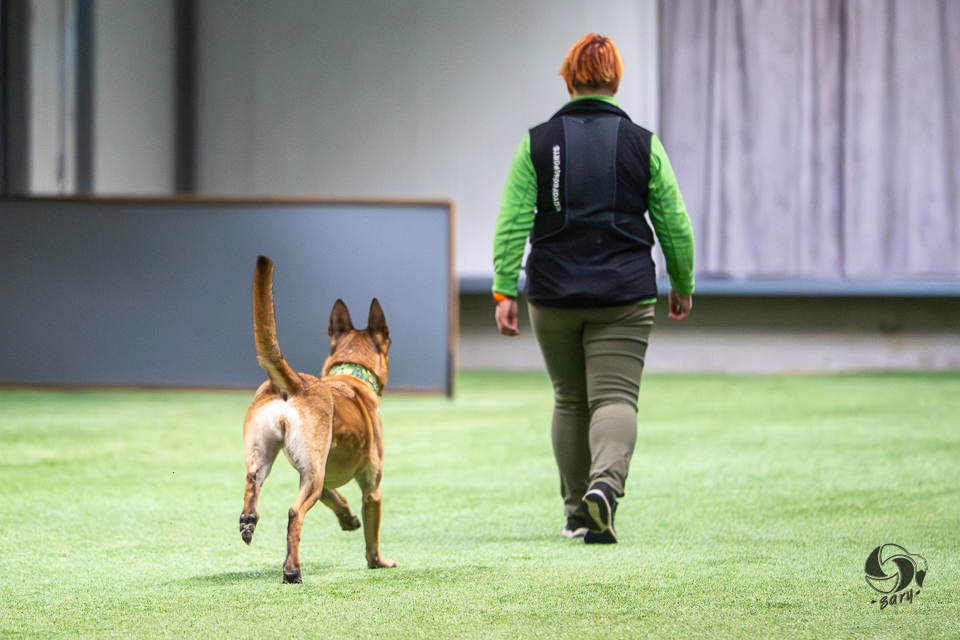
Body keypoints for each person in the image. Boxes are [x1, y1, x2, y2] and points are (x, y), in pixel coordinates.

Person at [492, 34, 695, 544]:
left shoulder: (537, 142)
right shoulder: (642, 143)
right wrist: (682, 282)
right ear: (616, 80)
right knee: (615, 397)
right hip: (623, 295)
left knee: (569, 400)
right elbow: (674, 223)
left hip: (552, 293)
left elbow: (512, 221)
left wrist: (503, 289)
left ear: (569, 78)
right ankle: (604, 488)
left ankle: (576, 513)